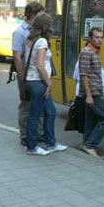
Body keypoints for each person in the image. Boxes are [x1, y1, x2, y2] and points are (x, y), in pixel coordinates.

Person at [25, 13, 67, 155]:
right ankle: (32, 146)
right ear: (46, 27)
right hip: (38, 82)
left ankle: (51, 143)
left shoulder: (32, 39)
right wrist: (49, 83)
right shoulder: (42, 42)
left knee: (51, 112)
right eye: (51, 24)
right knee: (35, 115)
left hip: (34, 81)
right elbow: (40, 66)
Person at [12, 1, 45, 146]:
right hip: (25, 75)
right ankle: (25, 135)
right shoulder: (20, 32)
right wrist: (22, 77)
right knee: (26, 105)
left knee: (39, 105)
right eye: (41, 15)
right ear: (32, 15)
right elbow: (17, 57)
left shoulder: (37, 30)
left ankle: (38, 133)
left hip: (36, 75)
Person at [78, 27, 104, 158]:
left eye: (101, 37)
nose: (99, 40)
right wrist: (89, 95)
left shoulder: (95, 51)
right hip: (93, 91)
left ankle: (86, 144)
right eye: (97, 37)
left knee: (91, 119)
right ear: (90, 38)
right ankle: (90, 145)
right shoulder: (87, 52)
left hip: (96, 90)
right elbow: (84, 75)